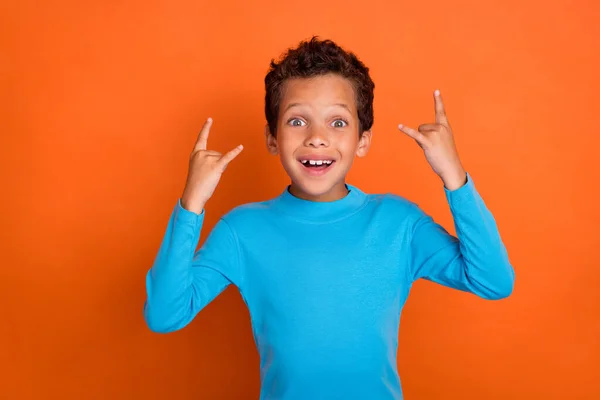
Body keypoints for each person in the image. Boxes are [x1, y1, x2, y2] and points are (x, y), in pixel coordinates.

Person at [143, 36, 515, 399]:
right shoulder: (242, 230)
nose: (317, 138)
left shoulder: (398, 223)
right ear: (272, 139)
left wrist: (455, 176)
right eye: (296, 121)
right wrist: (191, 204)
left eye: (337, 123)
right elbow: (164, 314)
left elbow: (493, 281)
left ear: (362, 140)